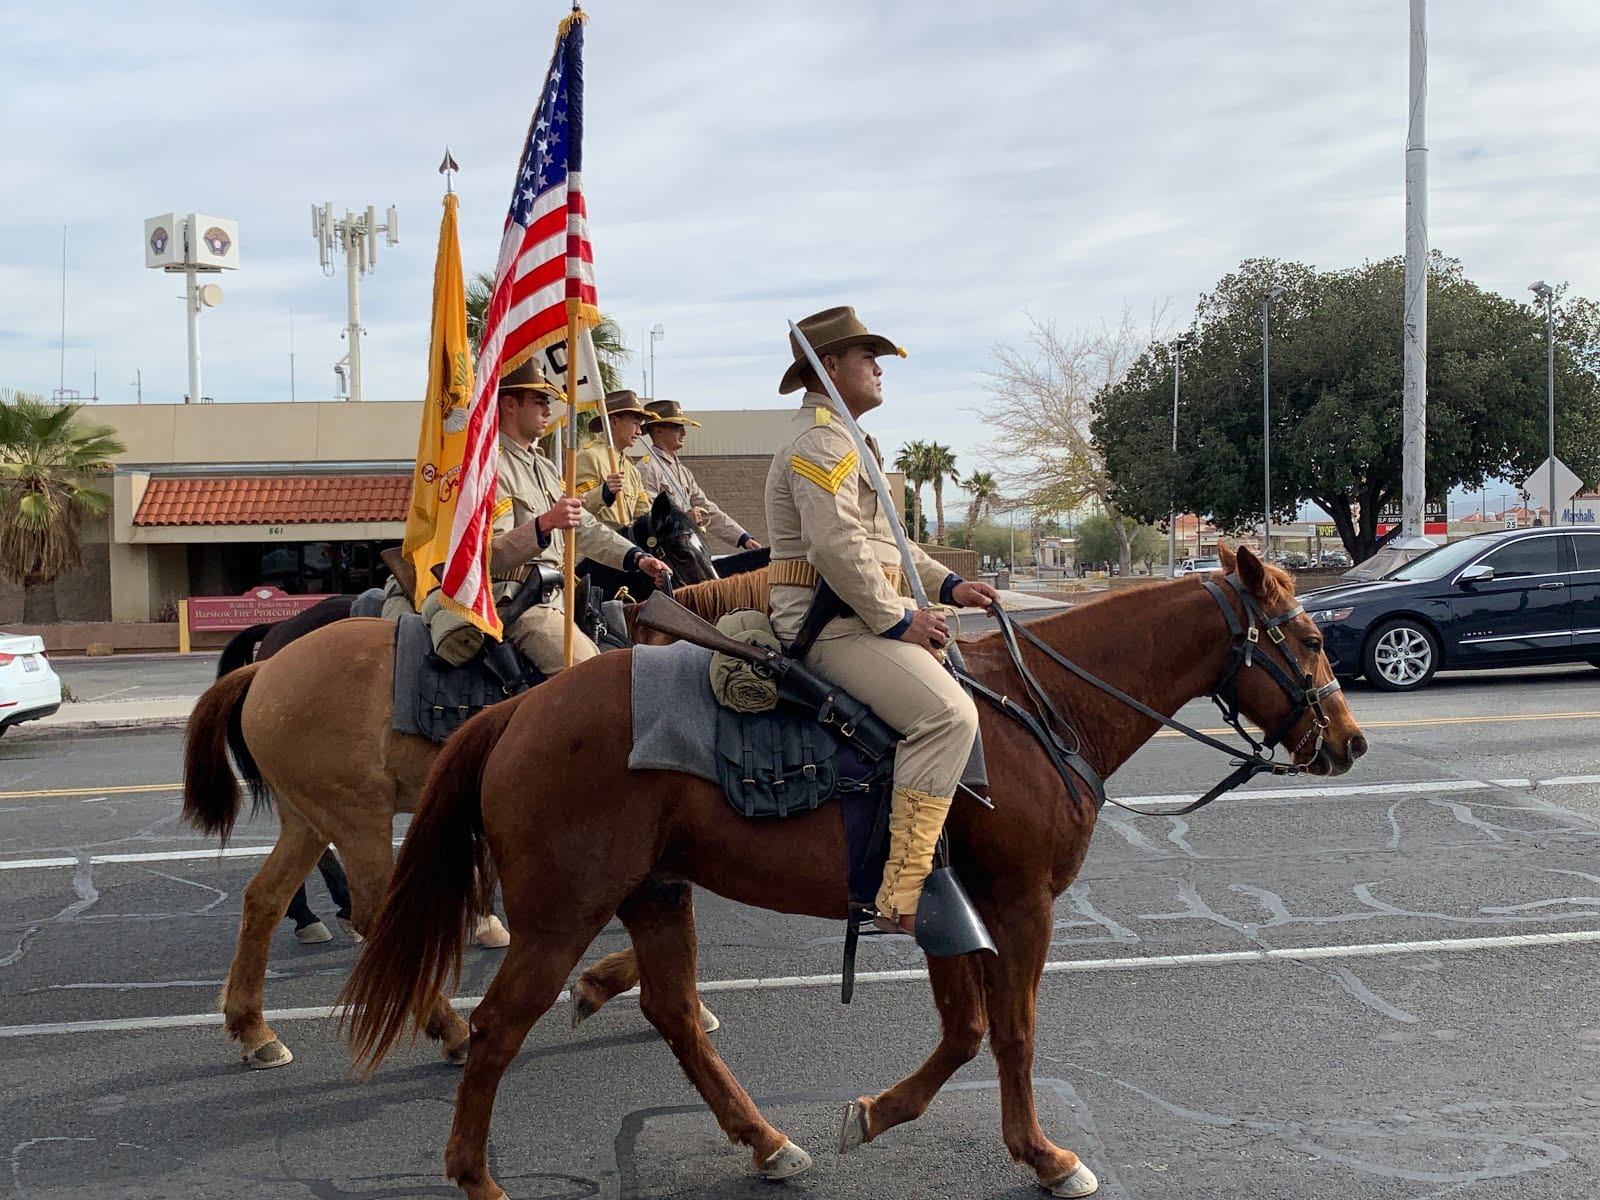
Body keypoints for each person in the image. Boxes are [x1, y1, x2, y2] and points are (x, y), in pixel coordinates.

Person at [764, 307, 999, 935]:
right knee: (947, 716)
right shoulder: (820, 441)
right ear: (830, 366)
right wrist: (899, 622)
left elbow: (888, 542)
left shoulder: (849, 439)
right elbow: (838, 548)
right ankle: (902, 891)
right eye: (865, 355)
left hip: (858, 616)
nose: (876, 366)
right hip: (829, 627)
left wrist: (951, 583)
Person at [491, 362, 669, 673]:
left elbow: (584, 525)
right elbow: (491, 555)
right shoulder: (492, 468)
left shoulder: (543, 467)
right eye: (540, 401)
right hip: (520, 603)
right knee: (593, 678)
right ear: (508, 404)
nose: (549, 409)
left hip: (561, 597)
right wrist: (544, 523)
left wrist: (636, 557)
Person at [635, 399, 763, 551]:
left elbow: (706, 507)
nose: (683, 433)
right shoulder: (648, 468)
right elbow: (648, 519)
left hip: (687, 548)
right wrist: (683, 520)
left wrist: (742, 538)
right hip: (666, 555)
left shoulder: (682, 471)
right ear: (657, 430)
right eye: (677, 427)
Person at [574, 391, 652, 529]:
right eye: (635, 423)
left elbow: (643, 513)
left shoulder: (631, 469)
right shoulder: (589, 456)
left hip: (626, 547)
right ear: (614, 422)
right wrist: (604, 493)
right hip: (595, 549)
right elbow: (577, 507)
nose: (639, 432)